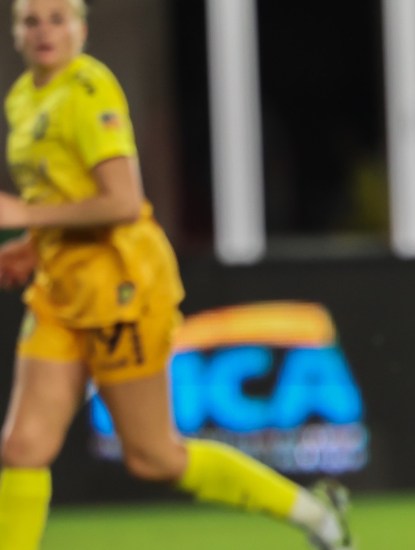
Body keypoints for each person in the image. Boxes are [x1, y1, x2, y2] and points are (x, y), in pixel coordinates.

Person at [0, 1, 352, 549]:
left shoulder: (88, 92)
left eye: (57, 18)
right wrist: (31, 244)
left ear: (81, 28)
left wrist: (26, 217)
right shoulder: (24, 97)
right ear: (15, 32)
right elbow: (62, 194)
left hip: (120, 287)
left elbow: (121, 201)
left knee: (154, 456)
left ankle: (312, 511)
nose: (44, 31)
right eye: (31, 20)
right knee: (22, 447)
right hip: (59, 288)